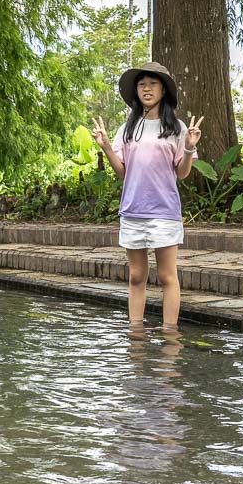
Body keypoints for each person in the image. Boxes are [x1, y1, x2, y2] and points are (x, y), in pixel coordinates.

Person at [91, 61, 204, 330]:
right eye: (142, 85)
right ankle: (136, 333)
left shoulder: (177, 128)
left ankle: (170, 334)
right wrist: (106, 146)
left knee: (167, 276)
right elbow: (121, 171)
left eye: (153, 84)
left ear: (163, 90)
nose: (147, 89)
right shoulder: (127, 129)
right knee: (136, 276)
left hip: (164, 212)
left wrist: (188, 148)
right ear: (136, 92)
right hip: (132, 211)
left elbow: (183, 173)